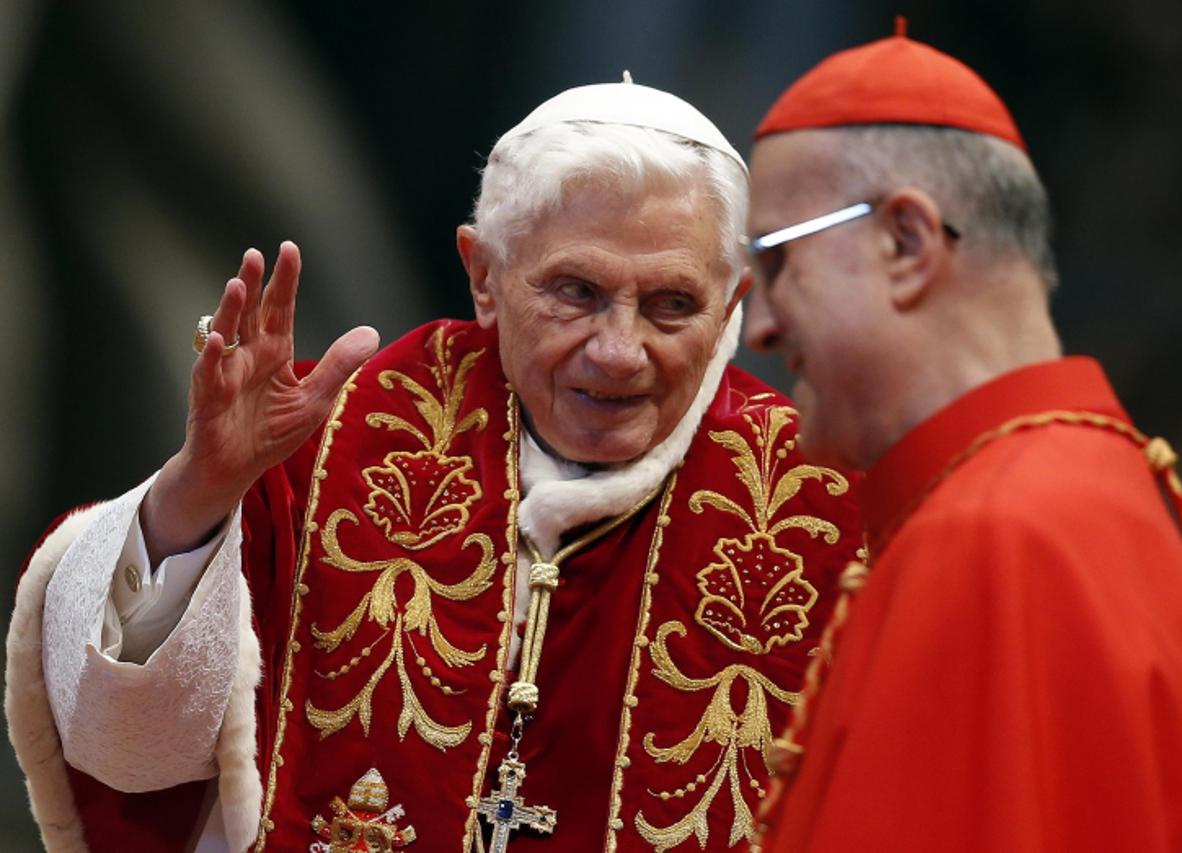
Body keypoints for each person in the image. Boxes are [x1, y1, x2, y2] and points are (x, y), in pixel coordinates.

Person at [7, 79, 863, 852]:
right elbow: (124, 740)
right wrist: (198, 491)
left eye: (672, 304)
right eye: (576, 292)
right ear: (483, 277)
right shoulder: (336, 435)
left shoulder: (825, 499)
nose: (617, 351)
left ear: (733, 308)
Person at [742, 20, 1182, 853]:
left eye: (777, 262)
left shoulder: (992, 537)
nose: (760, 327)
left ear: (905, 242)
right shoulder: (1087, 488)